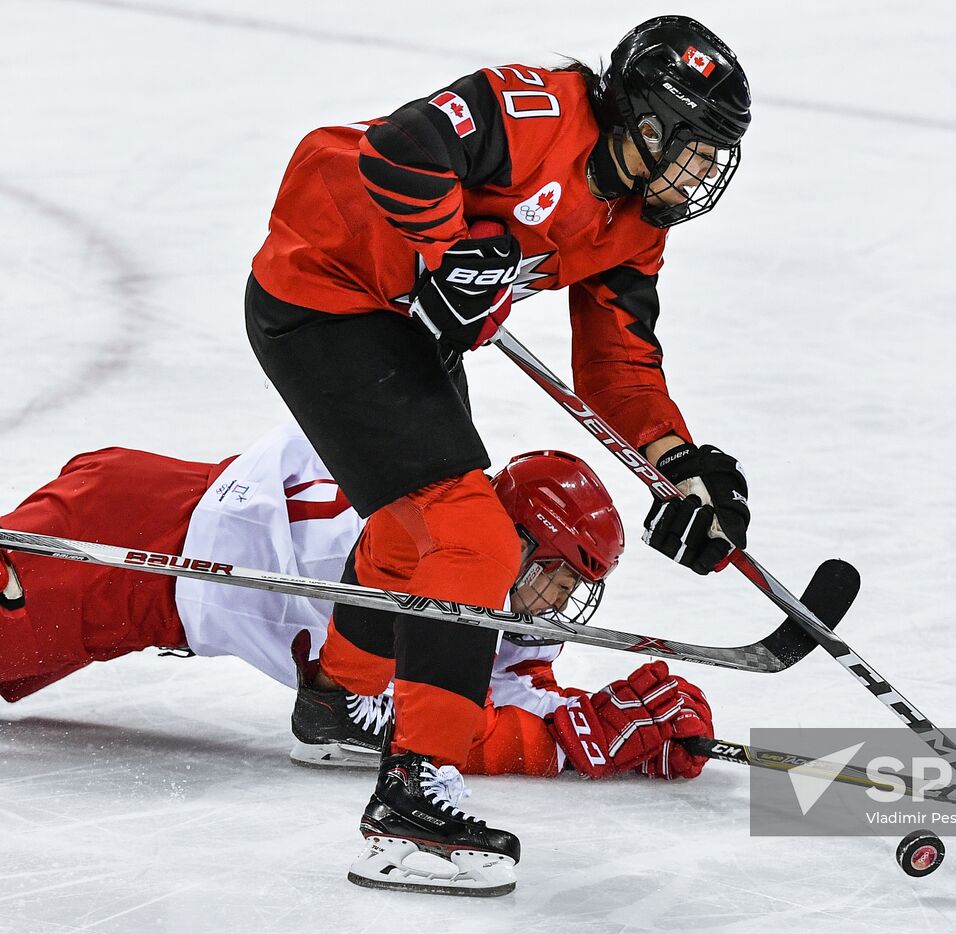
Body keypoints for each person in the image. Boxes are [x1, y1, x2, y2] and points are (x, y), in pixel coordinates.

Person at [242, 15, 752, 893]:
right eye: (697, 150)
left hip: (406, 327)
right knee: (472, 539)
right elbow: (401, 148)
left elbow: (619, 363)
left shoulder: (636, 225)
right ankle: (411, 805)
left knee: (413, 535)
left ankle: (336, 705)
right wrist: (447, 252)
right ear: (648, 122)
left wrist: (679, 463)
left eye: (716, 160)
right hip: (324, 291)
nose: (704, 175)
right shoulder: (539, 112)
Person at [0, 423, 713, 895]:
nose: (559, 599)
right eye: (558, 573)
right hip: (119, 548)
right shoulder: (425, 559)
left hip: (144, 564)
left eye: (575, 585)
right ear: (519, 542)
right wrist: (568, 744)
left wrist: (604, 730)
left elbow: (505, 688)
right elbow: (441, 721)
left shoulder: (477, 557)